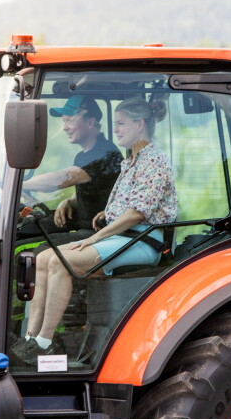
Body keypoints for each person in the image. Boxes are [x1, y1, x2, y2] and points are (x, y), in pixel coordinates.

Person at [12, 97, 177, 362]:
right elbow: (124, 202)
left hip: (142, 241)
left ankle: (45, 342)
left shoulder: (154, 161)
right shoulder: (131, 161)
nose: (116, 129)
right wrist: (103, 211)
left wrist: (96, 237)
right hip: (122, 235)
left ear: (140, 124)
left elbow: (137, 213)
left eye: (121, 124)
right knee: (43, 258)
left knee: (61, 261)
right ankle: (30, 338)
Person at [21, 95, 122, 235]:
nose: (64, 128)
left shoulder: (104, 153)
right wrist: (68, 202)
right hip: (86, 226)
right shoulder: (84, 155)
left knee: (32, 245)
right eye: (64, 121)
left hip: (100, 231)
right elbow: (93, 191)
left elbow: (60, 179)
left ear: (90, 122)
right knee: (26, 228)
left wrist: (19, 184)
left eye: (70, 121)